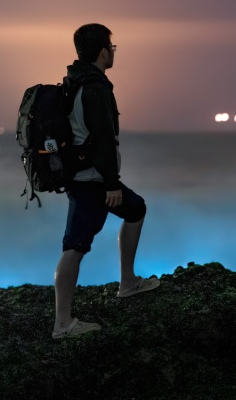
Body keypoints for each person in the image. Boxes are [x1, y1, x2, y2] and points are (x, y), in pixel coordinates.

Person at [52, 23, 159, 339]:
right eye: (111, 47)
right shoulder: (95, 88)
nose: (113, 52)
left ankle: (128, 282)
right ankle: (63, 324)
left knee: (136, 209)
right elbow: (102, 139)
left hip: (83, 176)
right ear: (102, 51)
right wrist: (112, 183)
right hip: (92, 180)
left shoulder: (75, 81)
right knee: (74, 247)